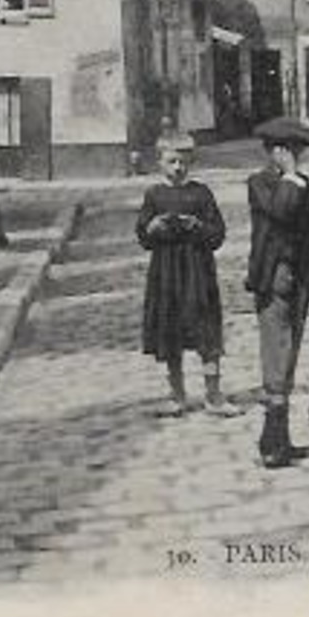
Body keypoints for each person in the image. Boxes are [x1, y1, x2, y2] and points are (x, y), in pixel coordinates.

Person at [136, 133, 236, 418]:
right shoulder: (153, 195)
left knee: (206, 333)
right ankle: (177, 394)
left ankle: (213, 395)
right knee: (171, 333)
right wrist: (153, 226)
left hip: (197, 273)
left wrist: (198, 227)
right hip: (166, 275)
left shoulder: (201, 193)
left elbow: (218, 234)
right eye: (172, 161)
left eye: (183, 161)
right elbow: (143, 236)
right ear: (160, 163)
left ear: (192, 161)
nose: (178, 167)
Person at [245, 115, 309, 469]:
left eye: (298, 152)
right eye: (290, 151)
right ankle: (272, 444)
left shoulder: (302, 184)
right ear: (274, 151)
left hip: (299, 278)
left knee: (289, 354)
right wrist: (292, 176)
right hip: (273, 279)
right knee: (275, 355)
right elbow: (281, 210)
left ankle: (279, 438)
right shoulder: (260, 184)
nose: (296, 158)